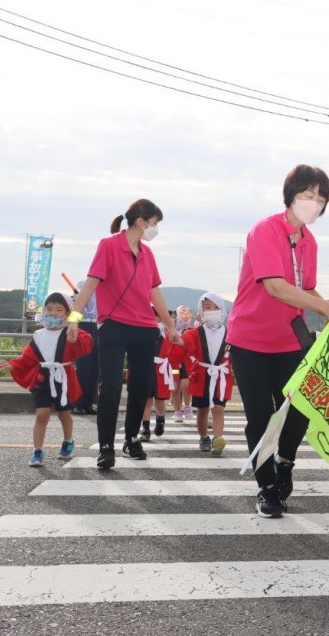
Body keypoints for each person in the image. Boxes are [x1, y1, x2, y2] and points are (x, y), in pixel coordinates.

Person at [227, 164, 329, 519]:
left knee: (299, 410)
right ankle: (267, 488)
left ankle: (285, 461)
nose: (314, 202)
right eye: (308, 194)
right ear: (291, 195)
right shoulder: (265, 230)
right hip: (250, 339)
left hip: (289, 339)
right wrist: (327, 308)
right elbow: (276, 287)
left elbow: (306, 288)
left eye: (320, 197)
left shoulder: (309, 242)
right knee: (261, 418)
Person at [69, 199, 183, 469]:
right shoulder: (109, 246)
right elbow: (91, 284)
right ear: (142, 221)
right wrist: (74, 317)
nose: (155, 229)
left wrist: (170, 326)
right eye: (155, 224)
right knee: (109, 386)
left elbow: (155, 293)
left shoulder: (147, 254)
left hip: (144, 327)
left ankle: (131, 440)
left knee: (141, 386)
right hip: (113, 325)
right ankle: (106, 446)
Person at [0, 292, 94, 466]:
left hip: (62, 377)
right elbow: (29, 357)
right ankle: (37, 450)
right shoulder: (38, 334)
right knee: (42, 415)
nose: (53, 313)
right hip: (42, 378)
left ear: (67, 313)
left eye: (59, 309)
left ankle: (68, 441)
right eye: (49, 309)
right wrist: (13, 365)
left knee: (64, 413)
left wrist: (75, 329)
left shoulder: (70, 332)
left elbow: (86, 344)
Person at [183, 292, 232, 455]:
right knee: (203, 410)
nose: (212, 310)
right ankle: (203, 436)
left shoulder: (229, 332)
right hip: (202, 375)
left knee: (218, 408)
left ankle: (217, 438)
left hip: (221, 376)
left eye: (216, 307)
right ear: (201, 311)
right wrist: (177, 340)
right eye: (207, 307)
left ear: (222, 310)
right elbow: (184, 343)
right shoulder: (196, 332)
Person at [140, 309, 186, 442]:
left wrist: (175, 378)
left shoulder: (168, 337)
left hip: (161, 372)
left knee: (160, 401)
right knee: (147, 401)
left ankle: (160, 419)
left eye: (158, 318)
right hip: (147, 370)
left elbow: (175, 359)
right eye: (152, 317)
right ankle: (145, 429)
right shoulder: (143, 336)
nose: (155, 321)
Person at [71, 280, 99, 415]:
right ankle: (77, 403)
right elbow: (77, 306)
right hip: (83, 324)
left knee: (94, 368)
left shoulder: (104, 287)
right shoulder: (83, 284)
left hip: (97, 326)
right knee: (84, 367)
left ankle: (88, 403)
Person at [171, 305, 193, 423]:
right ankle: (177, 411)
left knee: (186, 385)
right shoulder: (171, 330)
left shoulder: (190, 330)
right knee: (175, 387)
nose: (185, 315)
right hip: (174, 364)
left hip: (187, 362)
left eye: (186, 313)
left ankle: (188, 407)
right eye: (181, 313)